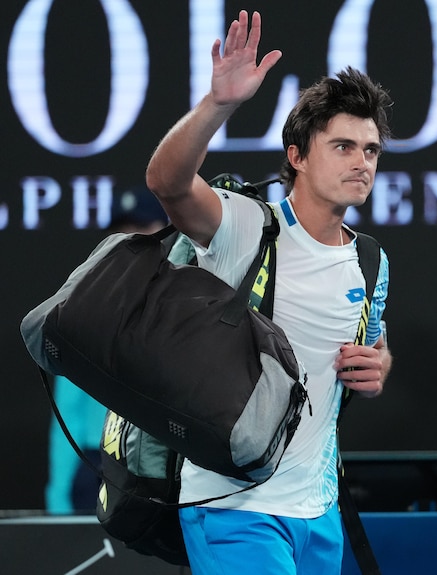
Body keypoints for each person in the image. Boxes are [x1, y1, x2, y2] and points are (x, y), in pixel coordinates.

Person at [144, 10, 392, 574]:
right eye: (344, 146)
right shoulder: (245, 226)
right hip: (233, 508)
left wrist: (378, 367)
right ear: (297, 157)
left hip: (318, 515)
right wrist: (219, 106)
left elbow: (372, 346)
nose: (361, 163)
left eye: (371, 150)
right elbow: (166, 182)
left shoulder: (372, 260)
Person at [45, 185, 169, 514]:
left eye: (142, 228)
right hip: (97, 469)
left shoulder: (192, 307)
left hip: (167, 469)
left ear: (168, 231)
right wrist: (59, 498)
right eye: (121, 230)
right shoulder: (81, 311)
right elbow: (66, 414)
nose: (130, 238)